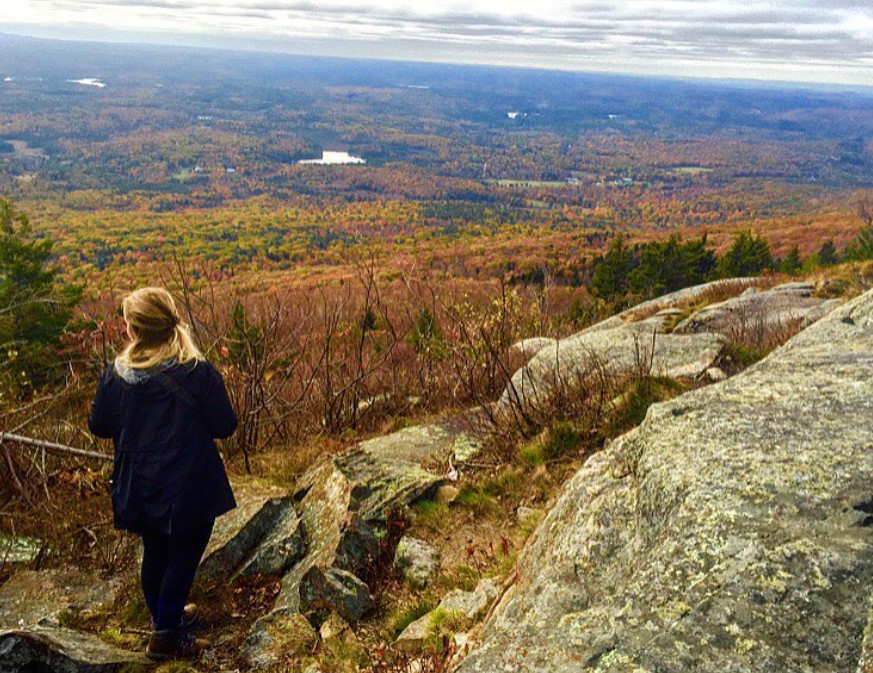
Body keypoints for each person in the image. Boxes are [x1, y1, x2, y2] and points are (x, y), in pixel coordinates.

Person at [88, 287, 237, 661]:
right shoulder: (198, 373)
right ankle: (165, 636)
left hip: (139, 484)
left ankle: (164, 618)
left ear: (132, 330)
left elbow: (99, 426)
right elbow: (224, 425)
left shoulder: (114, 377)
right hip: (190, 484)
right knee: (184, 555)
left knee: (155, 550)